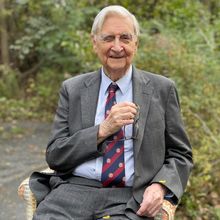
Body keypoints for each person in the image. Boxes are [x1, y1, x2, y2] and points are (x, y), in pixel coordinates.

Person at [30, 5, 193, 220]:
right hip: (74, 192)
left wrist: (159, 186)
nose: (117, 47)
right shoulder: (73, 89)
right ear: (94, 42)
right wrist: (102, 130)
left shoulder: (162, 89)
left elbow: (181, 155)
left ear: (136, 43)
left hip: (130, 196)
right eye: (108, 38)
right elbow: (55, 155)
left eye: (125, 38)